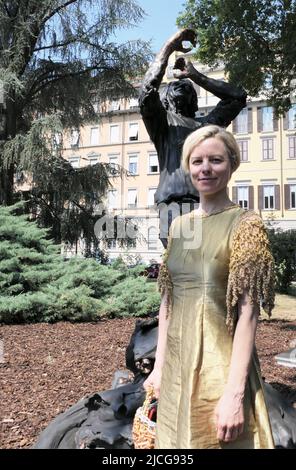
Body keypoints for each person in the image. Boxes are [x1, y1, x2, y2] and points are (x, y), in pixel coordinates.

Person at [144, 125, 275, 449]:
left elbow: (247, 312)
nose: (205, 168)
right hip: (175, 369)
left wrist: (234, 393)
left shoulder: (246, 224)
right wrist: (158, 368)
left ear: (232, 164)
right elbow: (168, 302)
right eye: (197, 160)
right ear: (188, 166)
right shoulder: (179, 226)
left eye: (215, 160)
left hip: (222, 372)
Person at [139, 29, 247, 247]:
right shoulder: (162, 124)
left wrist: (196, 76)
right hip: (172, 207)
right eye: (174, 85)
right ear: (166, 98)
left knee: (208, 269)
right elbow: (147, 92)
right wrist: (168, 48)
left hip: (206, 204)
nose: (181, 85)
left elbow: (237, 97)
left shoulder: (205, 127)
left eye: (187, 86)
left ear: (194, 99)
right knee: (183, 269)